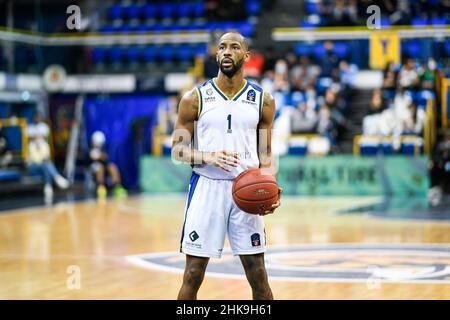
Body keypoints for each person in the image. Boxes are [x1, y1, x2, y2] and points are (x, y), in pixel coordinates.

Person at [172, 32, 282, 300]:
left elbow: (265, 152)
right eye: (221, 47)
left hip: (247, 187)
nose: (226, 52)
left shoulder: (263, 100)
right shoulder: (194, 99)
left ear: (246, 56)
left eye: (234, 47)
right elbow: (177, 149)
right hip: (206, 189)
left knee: (257, 273)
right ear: (216, 54)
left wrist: (271, 186)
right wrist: (207, 156)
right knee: (193, 273)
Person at [27, 114, 69, 204]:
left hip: (43, 166)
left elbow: (46, 157)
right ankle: (57, 178)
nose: (38, 137)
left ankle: (48, 187)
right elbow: (34, 161)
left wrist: (43, 161)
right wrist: (42, 161)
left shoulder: (44, 145)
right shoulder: (30, 146)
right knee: (47, 165)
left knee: (46, 167)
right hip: (33, 167)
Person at [89, 131, 127, 199]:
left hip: (104, 167)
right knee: (100, 168)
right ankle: (101, 187)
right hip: (95, 169)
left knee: (112, 166)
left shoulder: (103, 150)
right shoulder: (90, 150)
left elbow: (106, 161)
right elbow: (89, 160)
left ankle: (117, 186)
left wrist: (103, 158)